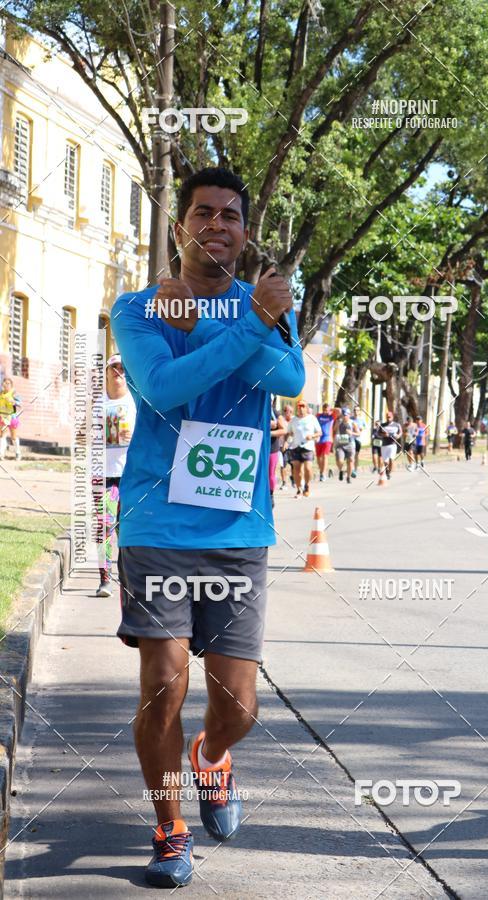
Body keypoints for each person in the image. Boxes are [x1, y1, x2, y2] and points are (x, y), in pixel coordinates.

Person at [111, 167, 304, 887]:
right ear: (181, 227)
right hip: (158, 525)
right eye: (202, 212)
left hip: (238, 531)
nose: (216, 223)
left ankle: (213, 758)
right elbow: (163, 387)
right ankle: (169, 828)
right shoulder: (136, 309)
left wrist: (241, 320)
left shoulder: (264, 306)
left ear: (245, 233)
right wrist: (249, 324)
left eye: (229, 215)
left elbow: (288, 380)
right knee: (162, 685)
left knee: (239, 709)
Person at [95, 354, 137, 598]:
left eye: (122, 367)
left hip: (129, 475)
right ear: (107, 371)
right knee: (104, 526)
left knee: (127, 530)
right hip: (102, 475)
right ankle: (104, 579)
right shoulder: (97, 403)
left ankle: (127, 578)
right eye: (114, 367)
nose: (118, 372)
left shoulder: (134, 402)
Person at [287, 400, 321, 498]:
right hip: (296, 447)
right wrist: (287, 442)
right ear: (297, 408)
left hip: (308, 447)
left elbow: (319, 432)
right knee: (296, 469)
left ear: (306, 408)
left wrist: (312, 436)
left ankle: (307, 485)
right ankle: (298, 489)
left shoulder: (312, 418)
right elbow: (289, 432)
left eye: (303, 406)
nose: (301, 408)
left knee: (308, 468)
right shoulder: (293, 420)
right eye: (299, 406)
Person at [333, 407, 360, 483]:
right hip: (340, 444)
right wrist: (337, 423)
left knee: (350, 460)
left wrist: (352, 433)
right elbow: (334, 430)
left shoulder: (352, 423)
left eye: (346, 415)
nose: (344, 417)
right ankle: (341, 470)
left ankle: (348, 477)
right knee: (339, 460)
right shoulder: (339, 422)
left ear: (349, 415)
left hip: (350, 444)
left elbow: (358, 433)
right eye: (343, 415)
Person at [269, 399, 287, 508]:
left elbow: (284, 430)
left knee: (270, 472)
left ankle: (270, 495)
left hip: (272, 447)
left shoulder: (275, 413)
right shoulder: (256, 409)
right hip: (257, 445)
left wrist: (269, 433)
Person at [0, 377, 22, 460]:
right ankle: (1, 454)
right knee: (2, 436)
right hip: (2, 417)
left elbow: (20, 404)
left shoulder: (14, 393)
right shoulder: (1, 393)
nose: (6, 384)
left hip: (12, 417)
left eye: (8, 383)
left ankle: (18, 453)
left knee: (13, 437)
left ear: (11, 385)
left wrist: (14, 402)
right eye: (4, 383)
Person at [379, 409, 402, 479]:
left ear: (392, 417)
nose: (388, 418)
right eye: (387, 417)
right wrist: (383, 435)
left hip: (393, 445)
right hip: (384, 445)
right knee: (385, 461)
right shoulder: (382, 425)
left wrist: (398, 436)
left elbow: (400, 432)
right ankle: (387, 471)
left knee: (391, 459)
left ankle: (389, 473)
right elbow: (379, 433)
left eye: (390, 417)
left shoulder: (397, 425)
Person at [315, 402, 334, 482]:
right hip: (319, 438)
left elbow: (339, 411)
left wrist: (331, 410)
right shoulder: (319, 416)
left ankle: (323, 473)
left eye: (327, 410)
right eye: (324, 410)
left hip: (327, 438)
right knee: (319, 457)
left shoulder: (331, 417)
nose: (325, 411)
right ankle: (321, 471)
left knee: (325, 456)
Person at [278, 403, 293, 489]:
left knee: (294, 465)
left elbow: (292, 434)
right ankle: (284, 483)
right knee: (282, 464)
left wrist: (286, 443)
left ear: (291, 412)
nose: (286, 412)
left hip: (292, 447)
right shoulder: (281, 420)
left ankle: (294, 479)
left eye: (288, 411)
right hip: (281, 446)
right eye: (285, 411)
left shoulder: (294, 420)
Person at [351, 405, 367, 477]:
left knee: (356, 455)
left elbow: (365, 427)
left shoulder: (361, 419)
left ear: (359, 412)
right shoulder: (350, 419)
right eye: (354, 410)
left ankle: (355, 469)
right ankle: (351, 468)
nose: (355, 412)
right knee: (351, 455)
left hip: (358, 440)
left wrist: (361, 428)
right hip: (350, 439)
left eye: (357, 410)